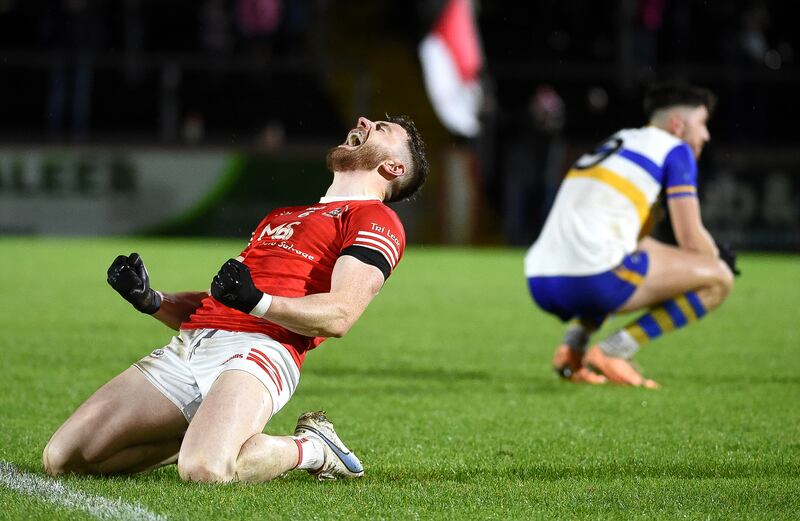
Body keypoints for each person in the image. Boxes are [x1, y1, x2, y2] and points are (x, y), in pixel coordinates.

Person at [43, 115, 429, 482]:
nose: (364, 122)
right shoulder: (281, 216)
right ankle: (207, 432)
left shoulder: (375, 219)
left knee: (205, 469)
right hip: (192, 344)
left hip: (261, 349)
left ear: (393, 167)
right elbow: (225, 301)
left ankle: (313, 448)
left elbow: (340, 314)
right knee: (62, 458)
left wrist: (258, 301)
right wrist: (151, 299)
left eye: (381, 128)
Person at [524, 83, 736, 388]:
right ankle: (614, 351)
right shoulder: (675, 149)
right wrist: (716, 259)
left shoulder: (621, 140)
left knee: (628, 251)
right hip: (591, 281)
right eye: (702, 124)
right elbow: (690, 240)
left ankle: (572, 346)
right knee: (719, 278)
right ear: (677, 125)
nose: (706, 135)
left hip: (539, 280)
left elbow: (634, 240)